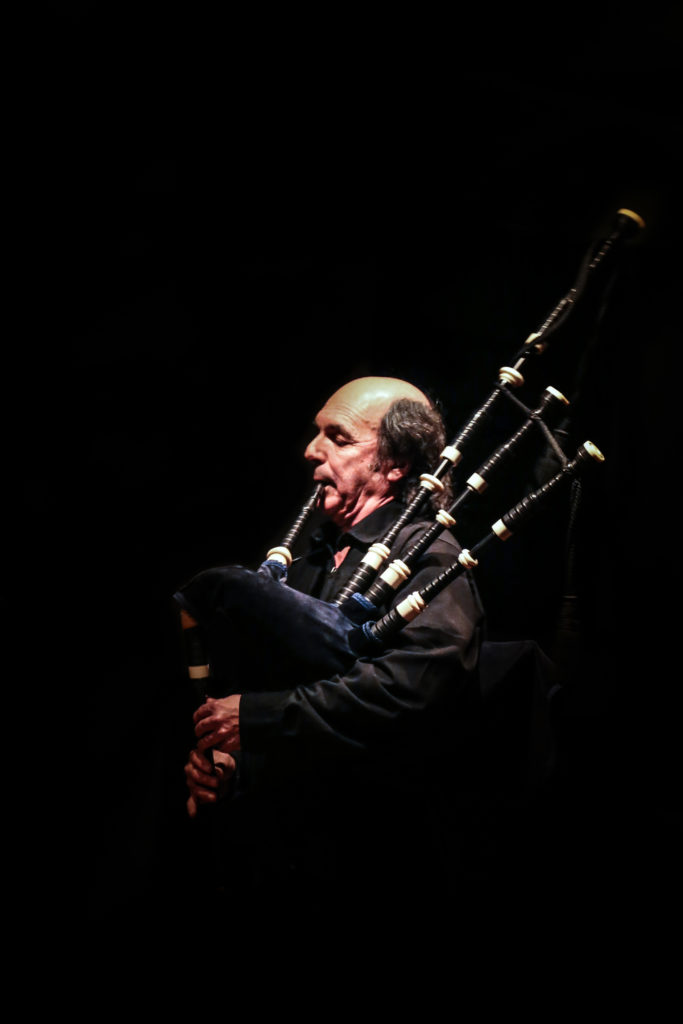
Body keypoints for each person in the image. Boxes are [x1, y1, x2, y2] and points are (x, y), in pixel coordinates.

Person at [180, 376, 485, 927]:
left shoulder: (431, 558)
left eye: (338, 437)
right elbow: (289, 688)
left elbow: (412, 690)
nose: (310, 450)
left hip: (377, 875)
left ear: (395, 464)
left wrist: (258, 718)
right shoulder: (312, 559)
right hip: (281, 867)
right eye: (318, 433)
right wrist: (235, 766)